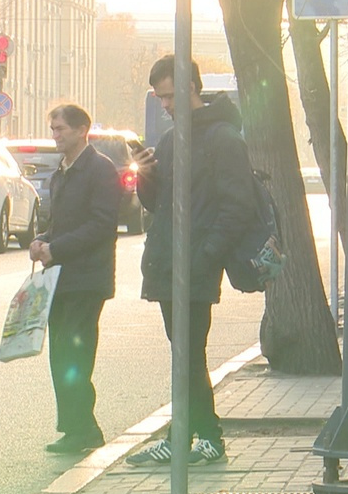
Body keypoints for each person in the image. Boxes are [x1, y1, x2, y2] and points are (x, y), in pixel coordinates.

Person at [126, 55, 252, 466]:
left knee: (189, 355)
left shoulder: (223, 138)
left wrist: (204, 257)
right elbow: (157, 204)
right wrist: (145, 175)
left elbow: (237, 208)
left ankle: (202, 438)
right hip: (169, 262)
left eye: (168, 96)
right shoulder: (171, 139)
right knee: (184, 356)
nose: (164, 104)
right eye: (159, 97)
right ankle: (188, 438)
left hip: (194, 265)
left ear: (190, 88)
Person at [30, 104, 122, 454]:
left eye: (61, 129)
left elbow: (101, 225)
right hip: (60, 277)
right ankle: (73, 426)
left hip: (86, 278)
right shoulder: (61, 171)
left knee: (77, 355)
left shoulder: (99, 169)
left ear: (82, 129)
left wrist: (58, 248)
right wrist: (41, 240)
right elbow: (59, 222)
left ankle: (86, 428)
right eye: (52, 128)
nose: (55, 135)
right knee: (61, 354)